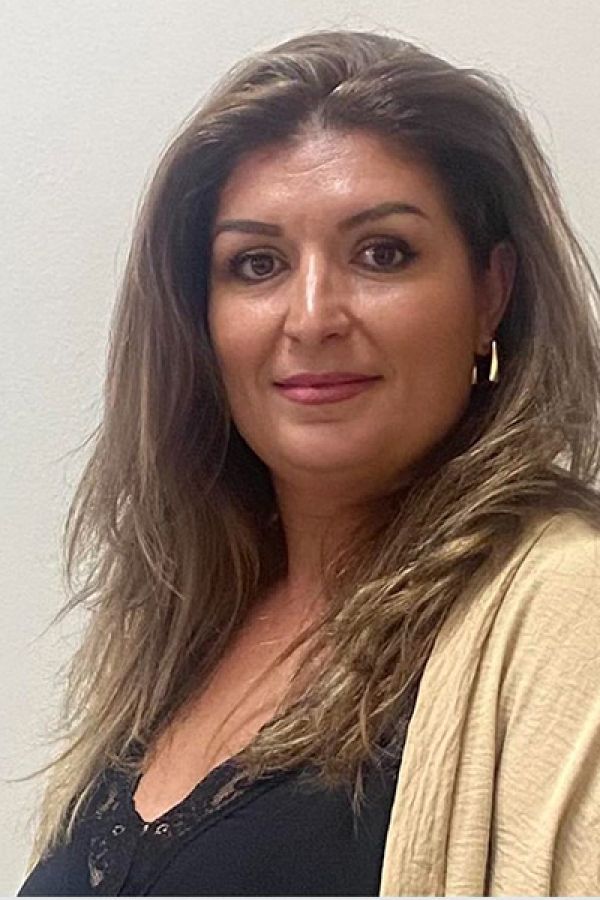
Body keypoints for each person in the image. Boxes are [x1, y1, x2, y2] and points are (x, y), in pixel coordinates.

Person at [18, 28, 600, 897]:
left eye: (382, 253)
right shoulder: (181, 622)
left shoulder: (570, 611)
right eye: (258, 264)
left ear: (491, 294)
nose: (313, 315)